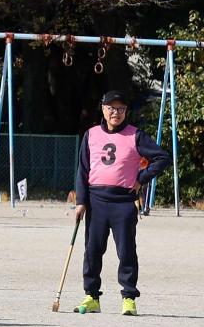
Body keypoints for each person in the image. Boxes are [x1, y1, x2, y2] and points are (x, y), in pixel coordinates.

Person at [71, 91, 171, 315]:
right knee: (93, 250)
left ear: (126, 111)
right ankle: (91, 296)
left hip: (123, 201)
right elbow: (83, 170)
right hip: (96, 200)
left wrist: (140, 179)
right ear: (103, 109)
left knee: (126, 250)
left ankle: (128, 297)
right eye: (111, 108)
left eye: (121, 109)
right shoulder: (91, 134)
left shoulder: (135, 135)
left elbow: (162, 157)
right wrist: (81, 201)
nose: (116, 112)